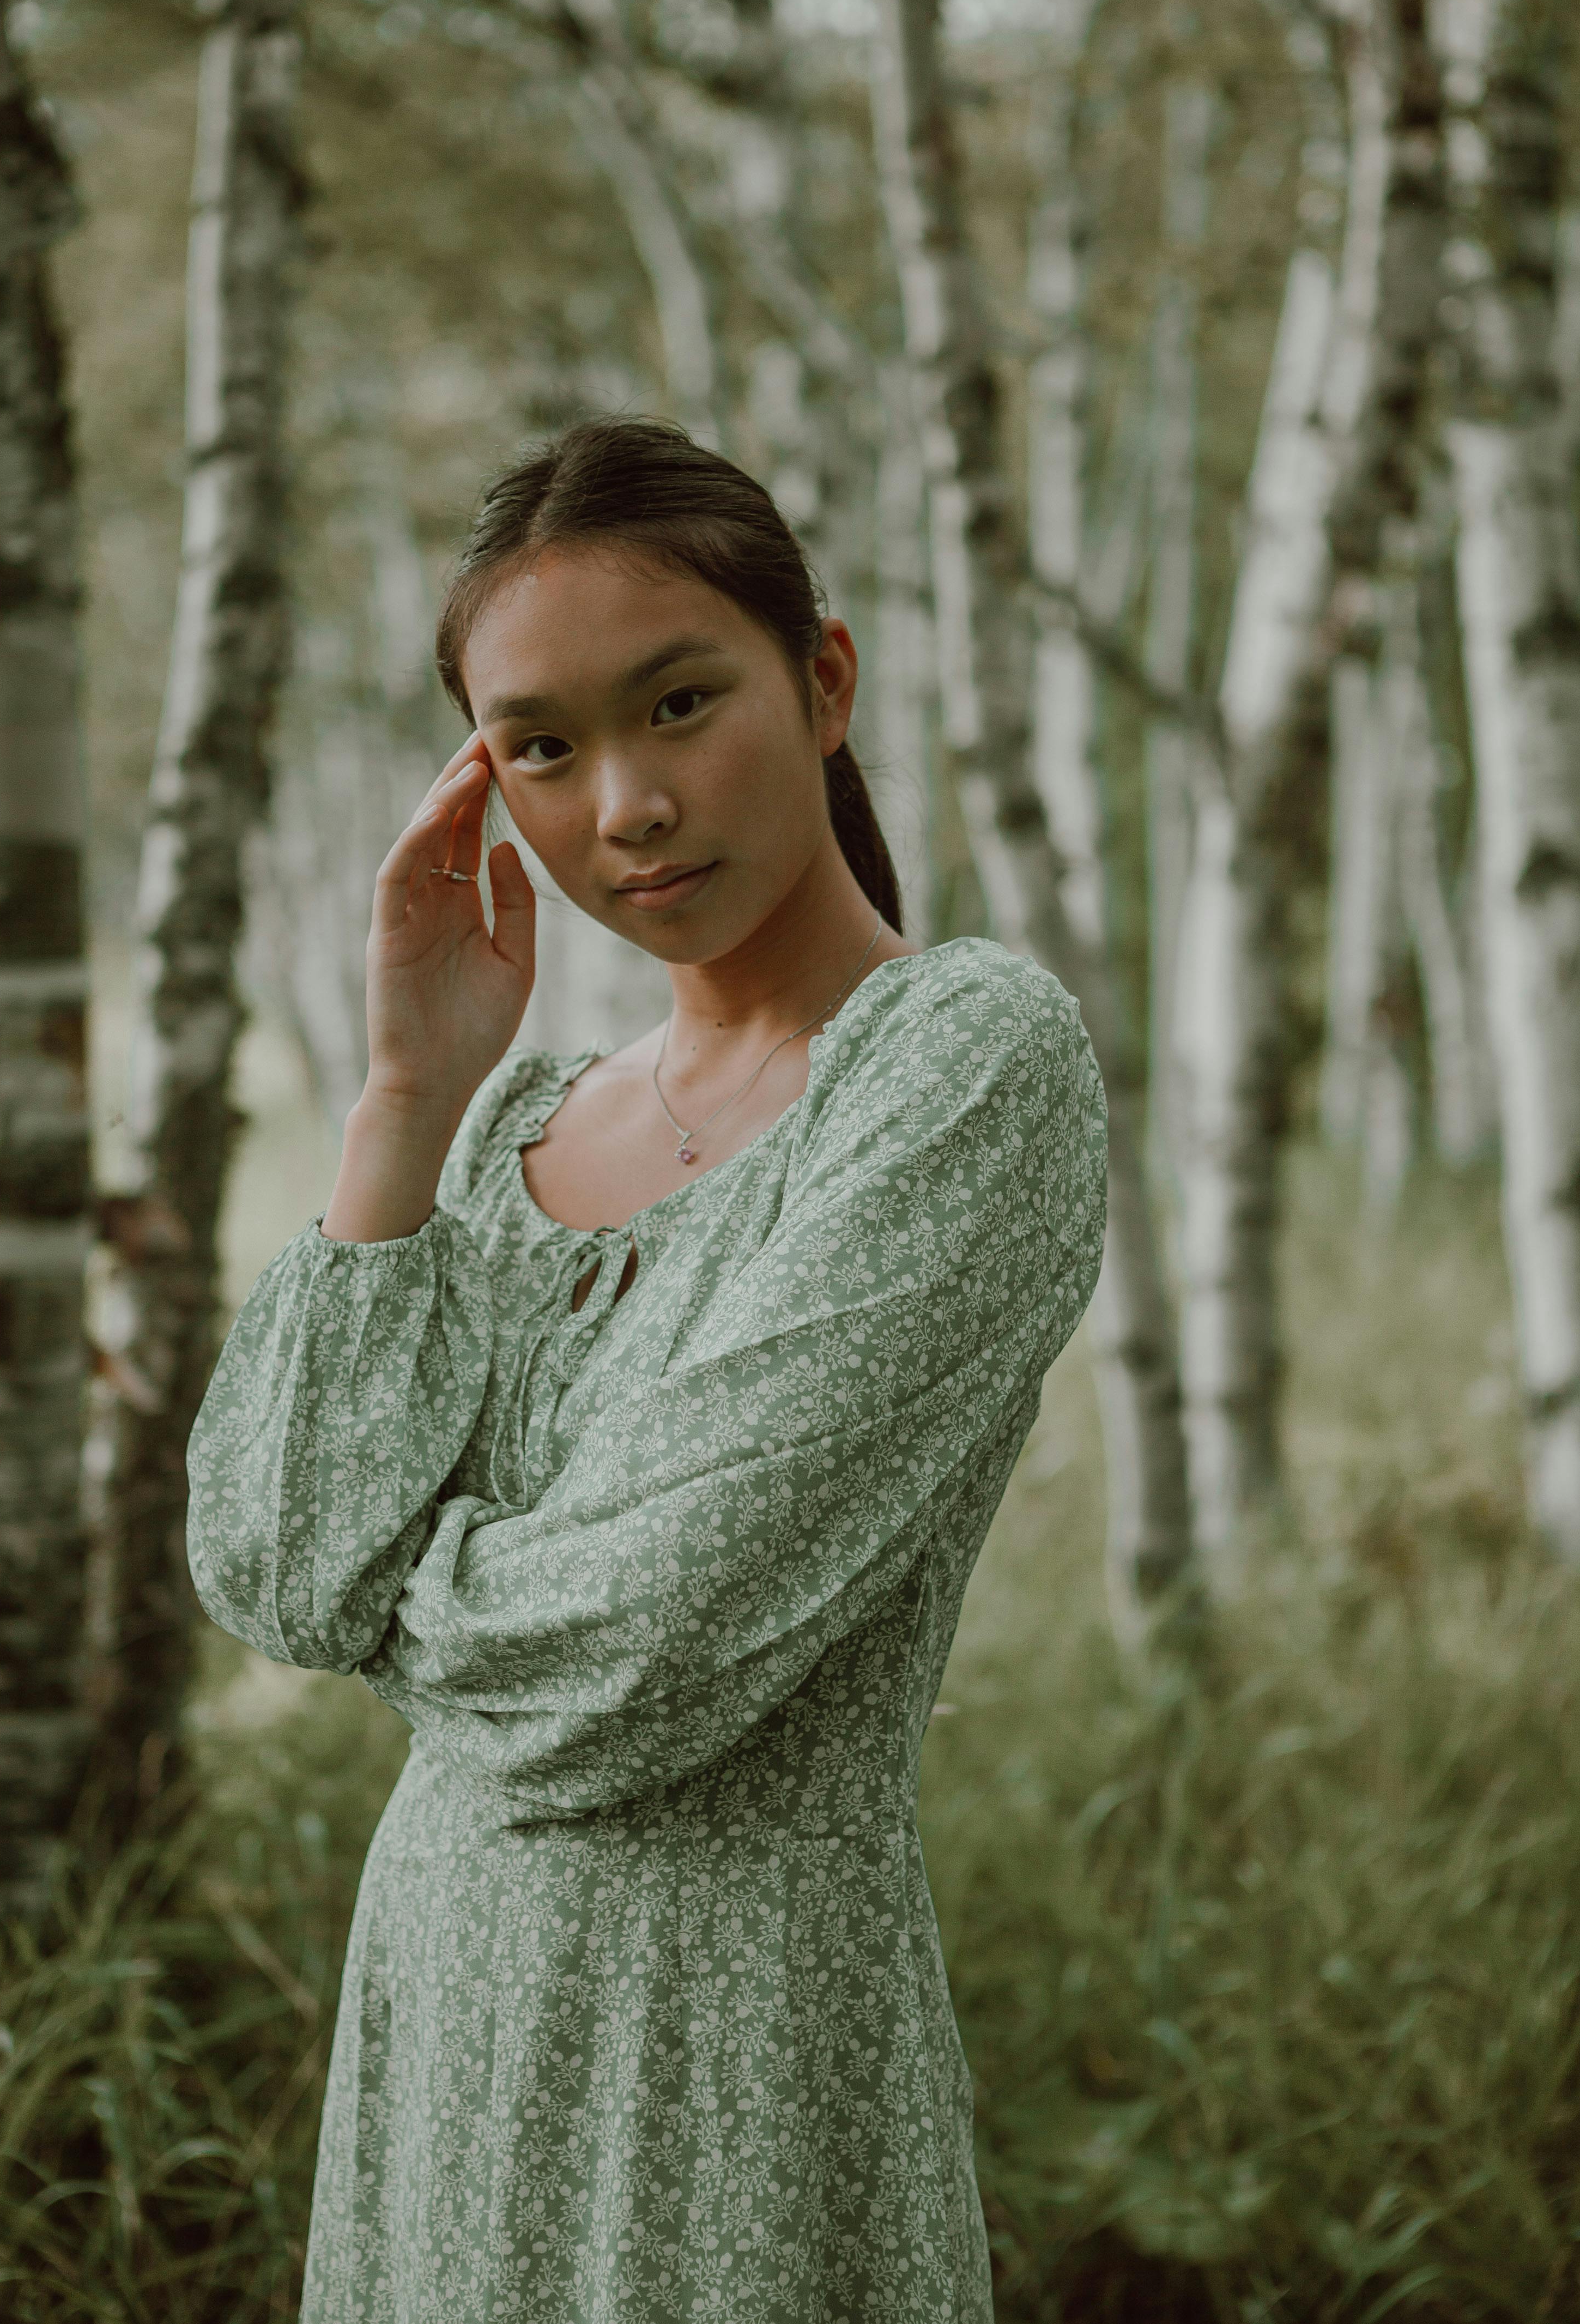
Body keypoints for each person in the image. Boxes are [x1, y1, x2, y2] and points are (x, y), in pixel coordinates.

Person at [186, 416, 1109, 2323]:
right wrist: (404, 1096)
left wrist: (400, 1601)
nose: (625, 802)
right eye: (541, 745)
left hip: (734, 2049)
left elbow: (635, 1658)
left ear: (823, 679)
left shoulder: (955, 1063)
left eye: (679, 702)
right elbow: (275, 1565)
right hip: (436, 2017)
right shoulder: (519, 1121)